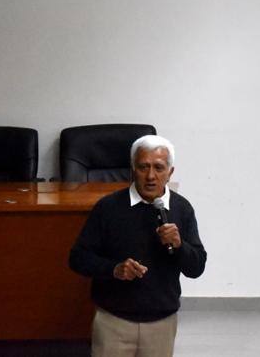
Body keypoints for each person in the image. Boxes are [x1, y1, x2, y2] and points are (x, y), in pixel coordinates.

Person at [70, 135, 206, 357]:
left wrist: (180, 246)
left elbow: (197, 267)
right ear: (133, 169)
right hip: (113, 321)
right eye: (143, 167)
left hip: (161, 322)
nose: (151, 176)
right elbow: (78, 257)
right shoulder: (108, 207)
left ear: (170, 172)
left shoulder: (182, 209)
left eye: (159, 168)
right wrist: (114, 269)